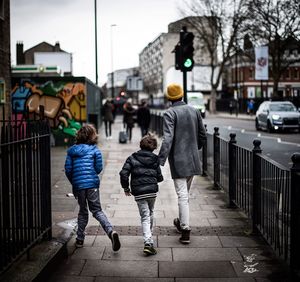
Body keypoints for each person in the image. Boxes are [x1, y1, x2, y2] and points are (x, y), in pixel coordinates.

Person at [158, 83, 207, 244]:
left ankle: (185, 229)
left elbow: (168, 138)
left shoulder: (170, 113)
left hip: (179, 161)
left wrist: (160, 159)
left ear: (169, 97)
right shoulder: (194, 111)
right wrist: (194, 149)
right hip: (193, 159)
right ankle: (180, 222)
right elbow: (203, 135)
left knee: (182, 195)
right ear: (182, 94)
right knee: (184, 194)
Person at [64, 124, 121, 251]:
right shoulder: (95, 150)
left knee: (83, 211)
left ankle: (79, 239)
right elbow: (99, 168)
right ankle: (111, 232)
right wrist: (91, 174)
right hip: (92, 185)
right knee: (97, 211)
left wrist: (75, 182)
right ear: (92, 136)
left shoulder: (72, 151)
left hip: (78, 186)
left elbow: (68, 170)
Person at [119, 134, 163, 255]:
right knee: (151, 212)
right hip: (152, 191)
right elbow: (159, 177)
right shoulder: (155, 159)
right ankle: (149, 237)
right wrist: (156, 179)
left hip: (139, 192)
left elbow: (123, 173)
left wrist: (126, 187)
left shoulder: (132, 158)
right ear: (153, 147)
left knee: (144, 216)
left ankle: (148, 242)